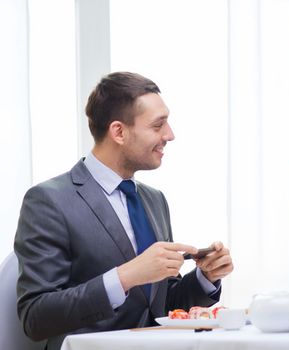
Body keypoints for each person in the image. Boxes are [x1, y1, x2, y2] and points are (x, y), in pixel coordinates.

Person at [14, 72, 234, 349]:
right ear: (118, 131)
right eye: (158, 125)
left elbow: (159, 307)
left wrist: (205, 278)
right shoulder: (49, 201)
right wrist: (126, 276)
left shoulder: (155, 200)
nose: (170, 135)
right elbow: (36, 316)